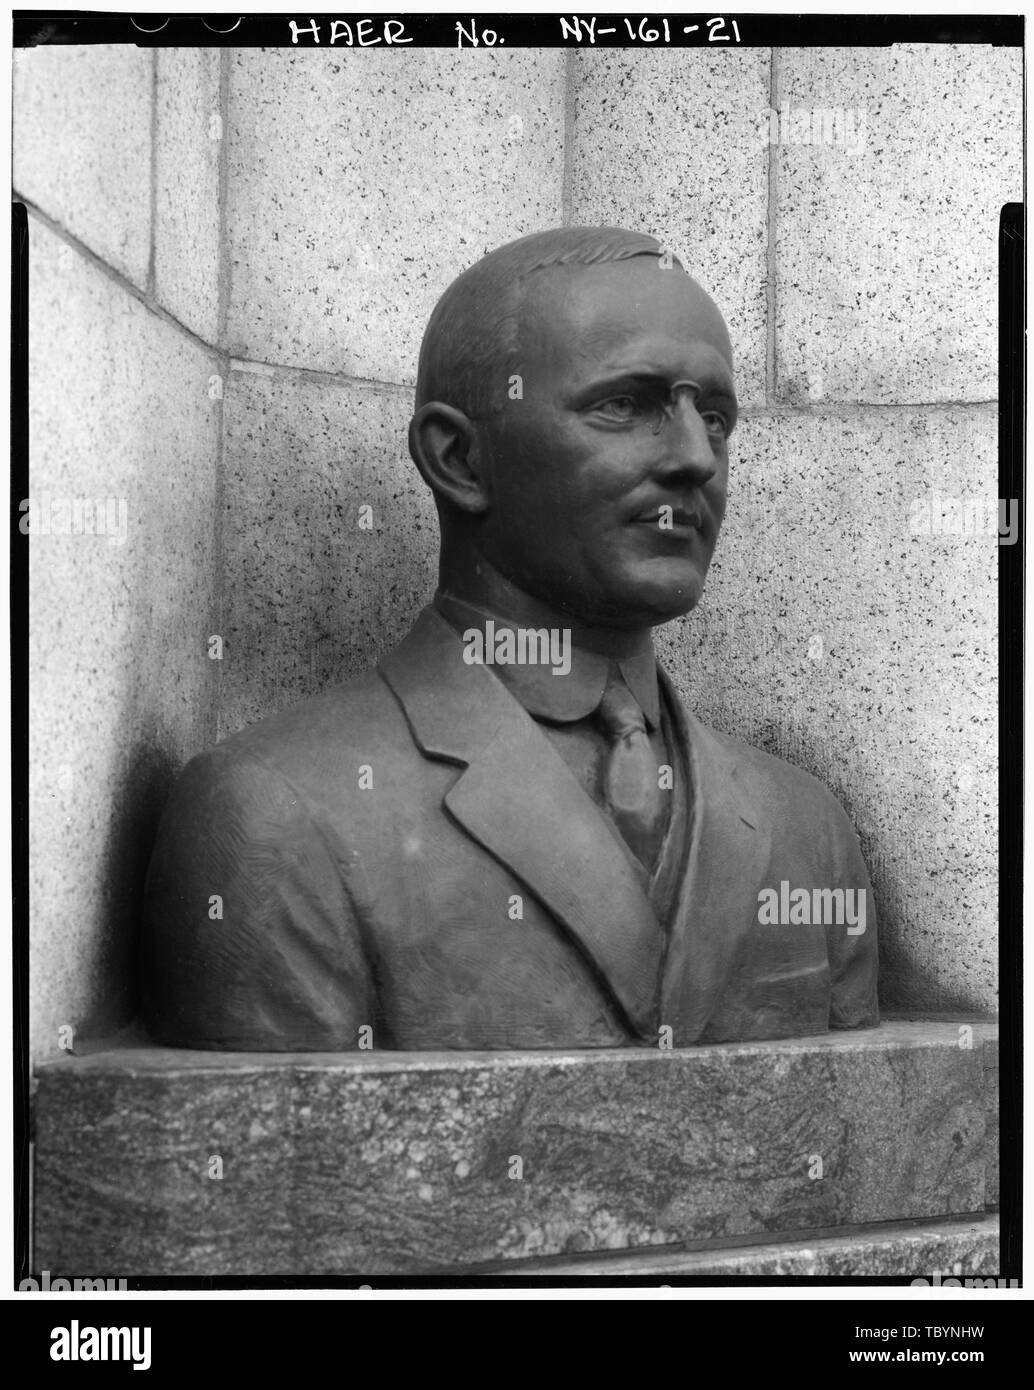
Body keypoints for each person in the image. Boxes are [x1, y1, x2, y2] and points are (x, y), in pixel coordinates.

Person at [142, 226, 878, 1050]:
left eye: (715, 415)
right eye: (624, 405)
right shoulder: (274, 816)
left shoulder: (807, 828)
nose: (696, 458)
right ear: (459, 459)